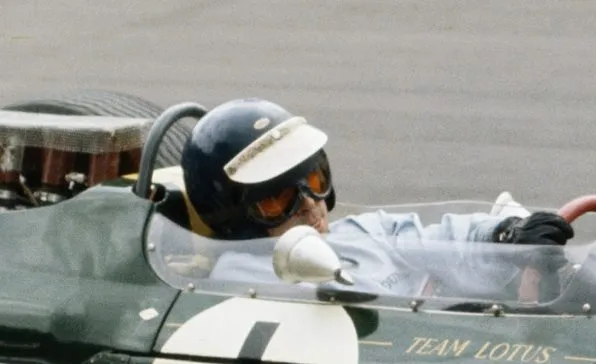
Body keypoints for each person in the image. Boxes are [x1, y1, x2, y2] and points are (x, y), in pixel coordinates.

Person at [179, 98, 575, 302]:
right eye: (279, 198)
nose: (308, 204)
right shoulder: (244, 281)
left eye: (314, 180)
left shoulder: (358, 231)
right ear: (234, 215)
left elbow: (439, 239)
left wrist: (507, 235)